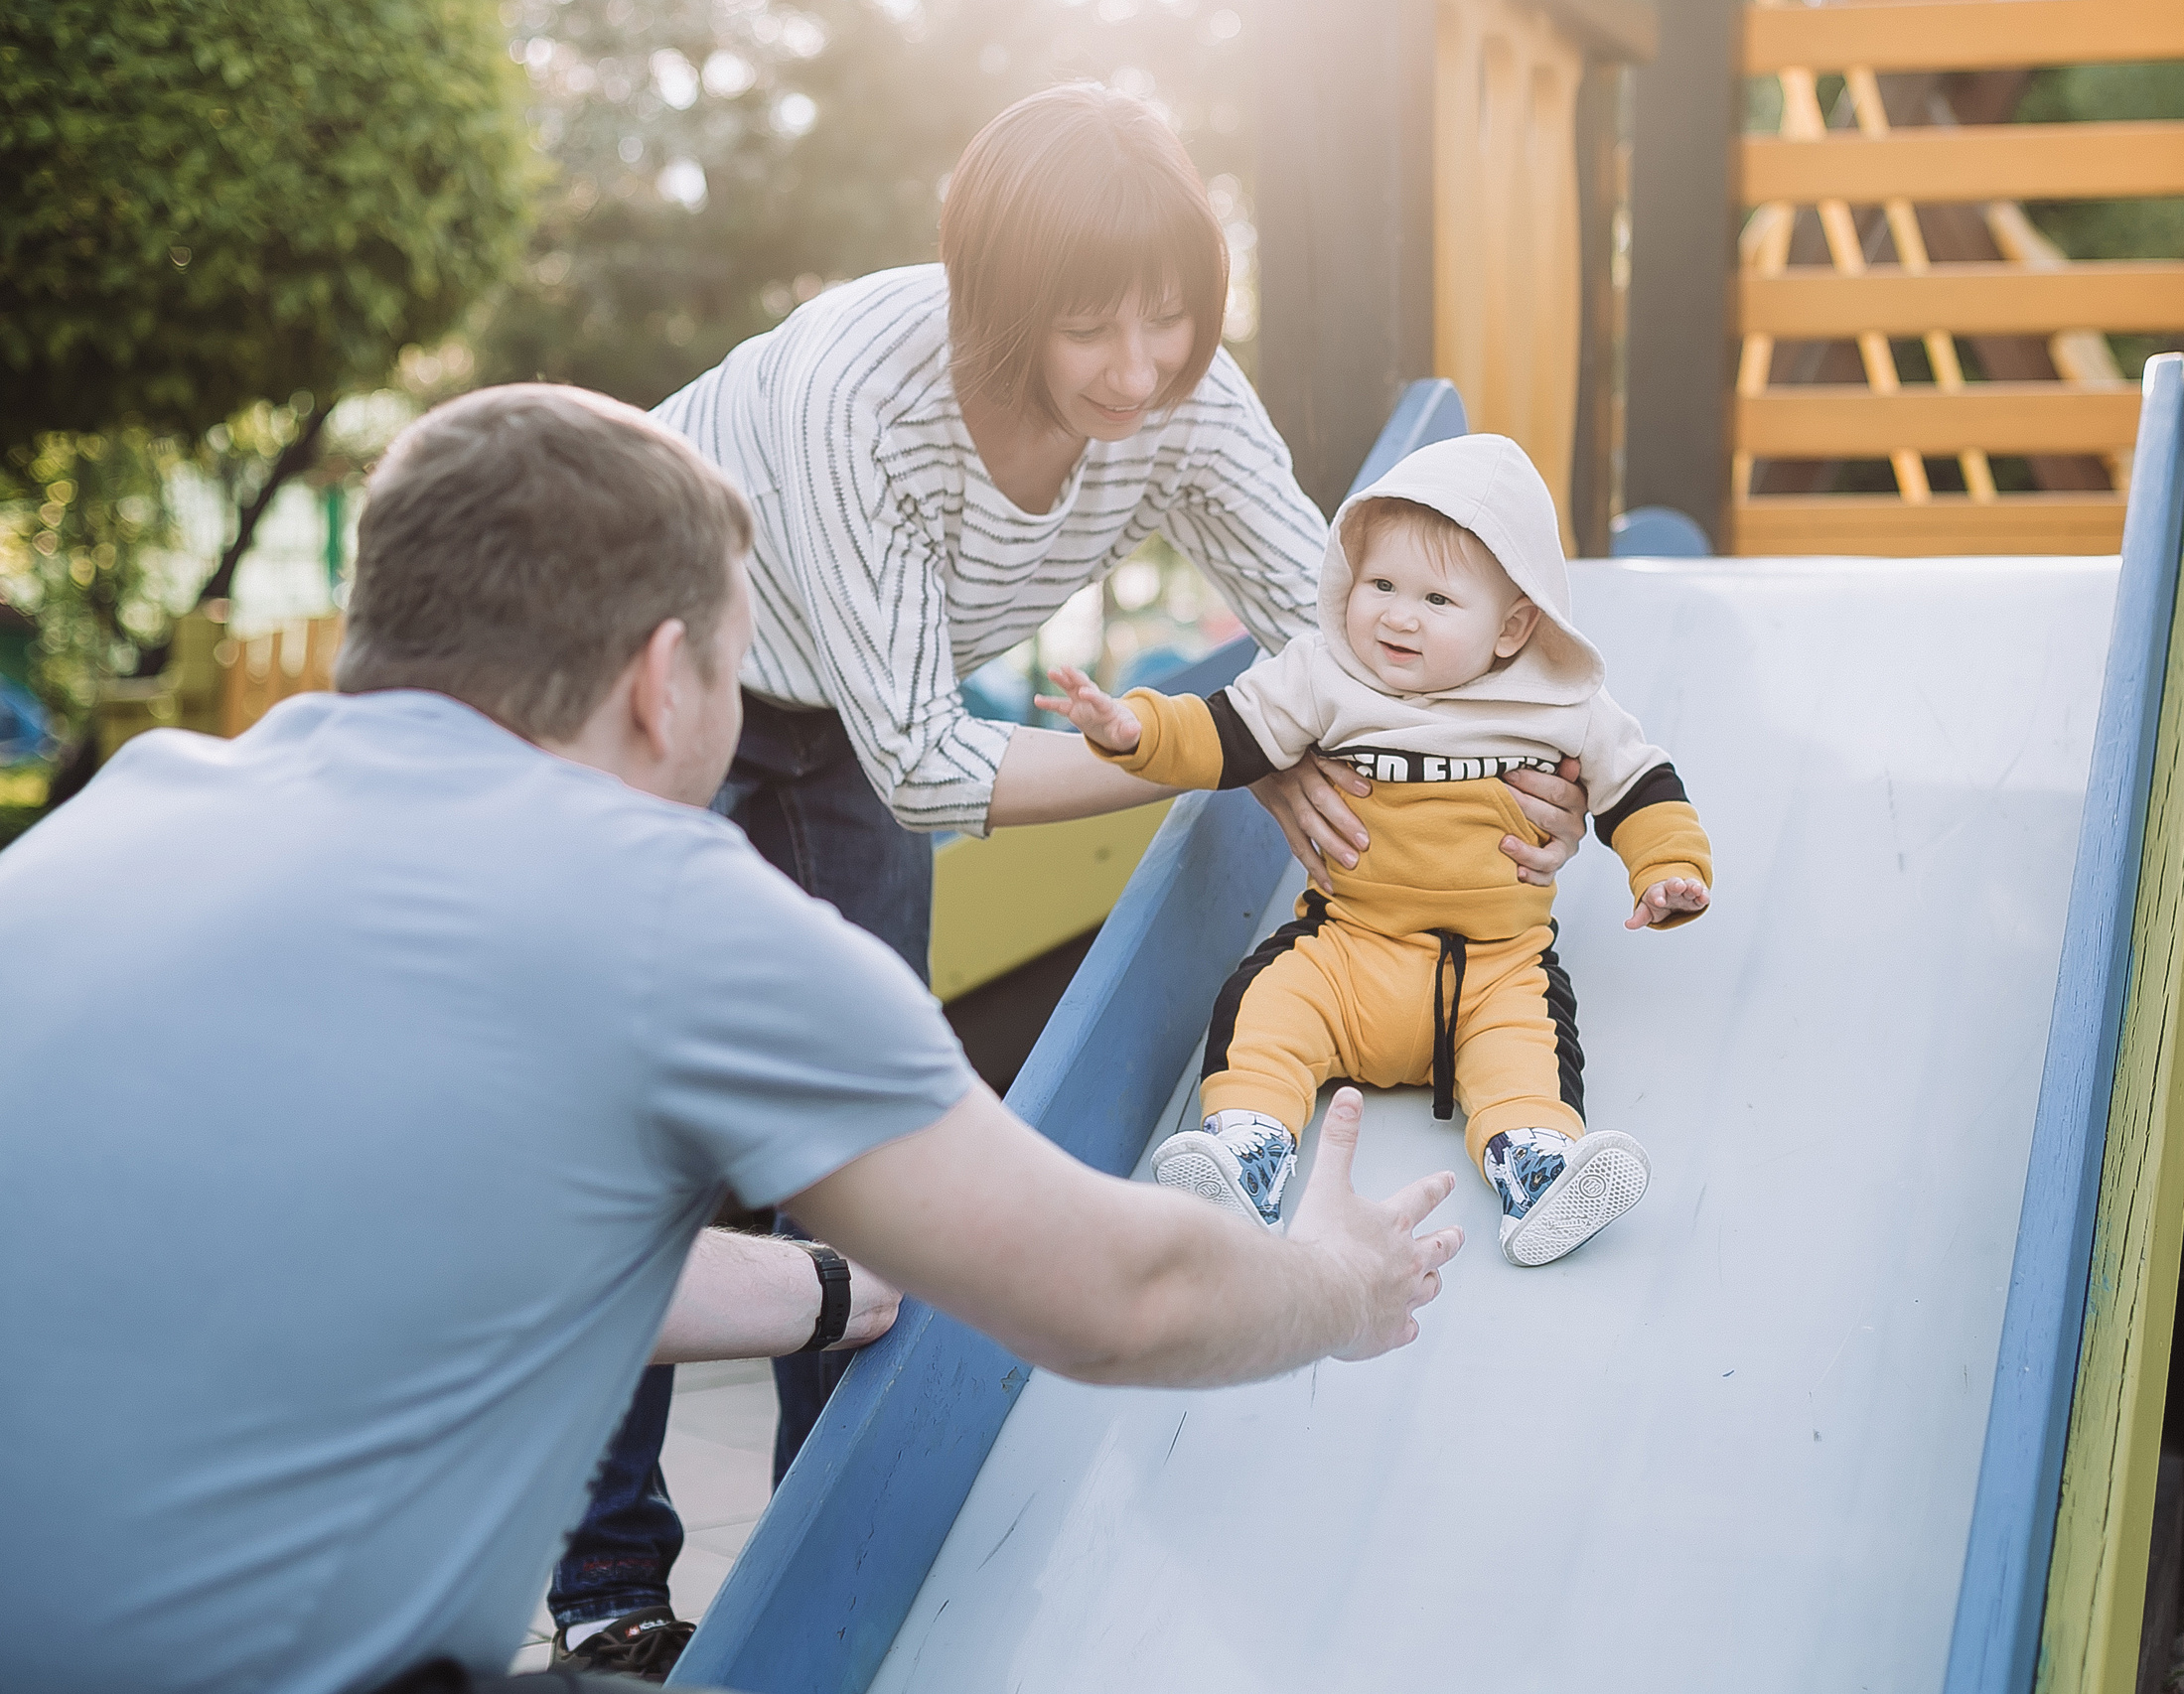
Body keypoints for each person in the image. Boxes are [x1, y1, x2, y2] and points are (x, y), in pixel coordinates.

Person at [0, 384, 1464, 1694]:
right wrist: (1342, 1282)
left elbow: (400, 1238)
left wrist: (835, 1286)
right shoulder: (662, 904)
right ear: (663, 677)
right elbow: (1119, 1295)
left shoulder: (138, 809)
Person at [547, 79, 1597, 1666]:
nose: (1137, 369)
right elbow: (931, 766)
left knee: (853, 1119)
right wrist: (1243, 745)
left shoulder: (1180, 393)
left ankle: (820, 1566)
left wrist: (1503, 770)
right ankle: (611, 1596)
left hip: (846, 712)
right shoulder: (863, 399)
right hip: (647, 678)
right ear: (997, 305)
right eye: (1090, 330)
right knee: (649, 1122)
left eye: (1167, 320)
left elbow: (1331, 625)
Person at [1036, 434, 1714, 1268]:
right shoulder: (1326, 675)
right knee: (1263, 1008)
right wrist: (1137, 729)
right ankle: (1246, 1153)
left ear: (1512, 626)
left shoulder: (1559, 699)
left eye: (1436, 599)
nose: (1397, 614)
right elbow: (1225, 732)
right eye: (1381, 584)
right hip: (1348, 951)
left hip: (1494, 968)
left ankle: (1538, 1171)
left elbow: (1639, 783)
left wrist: (1670, 867)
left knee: (1529, 1054)